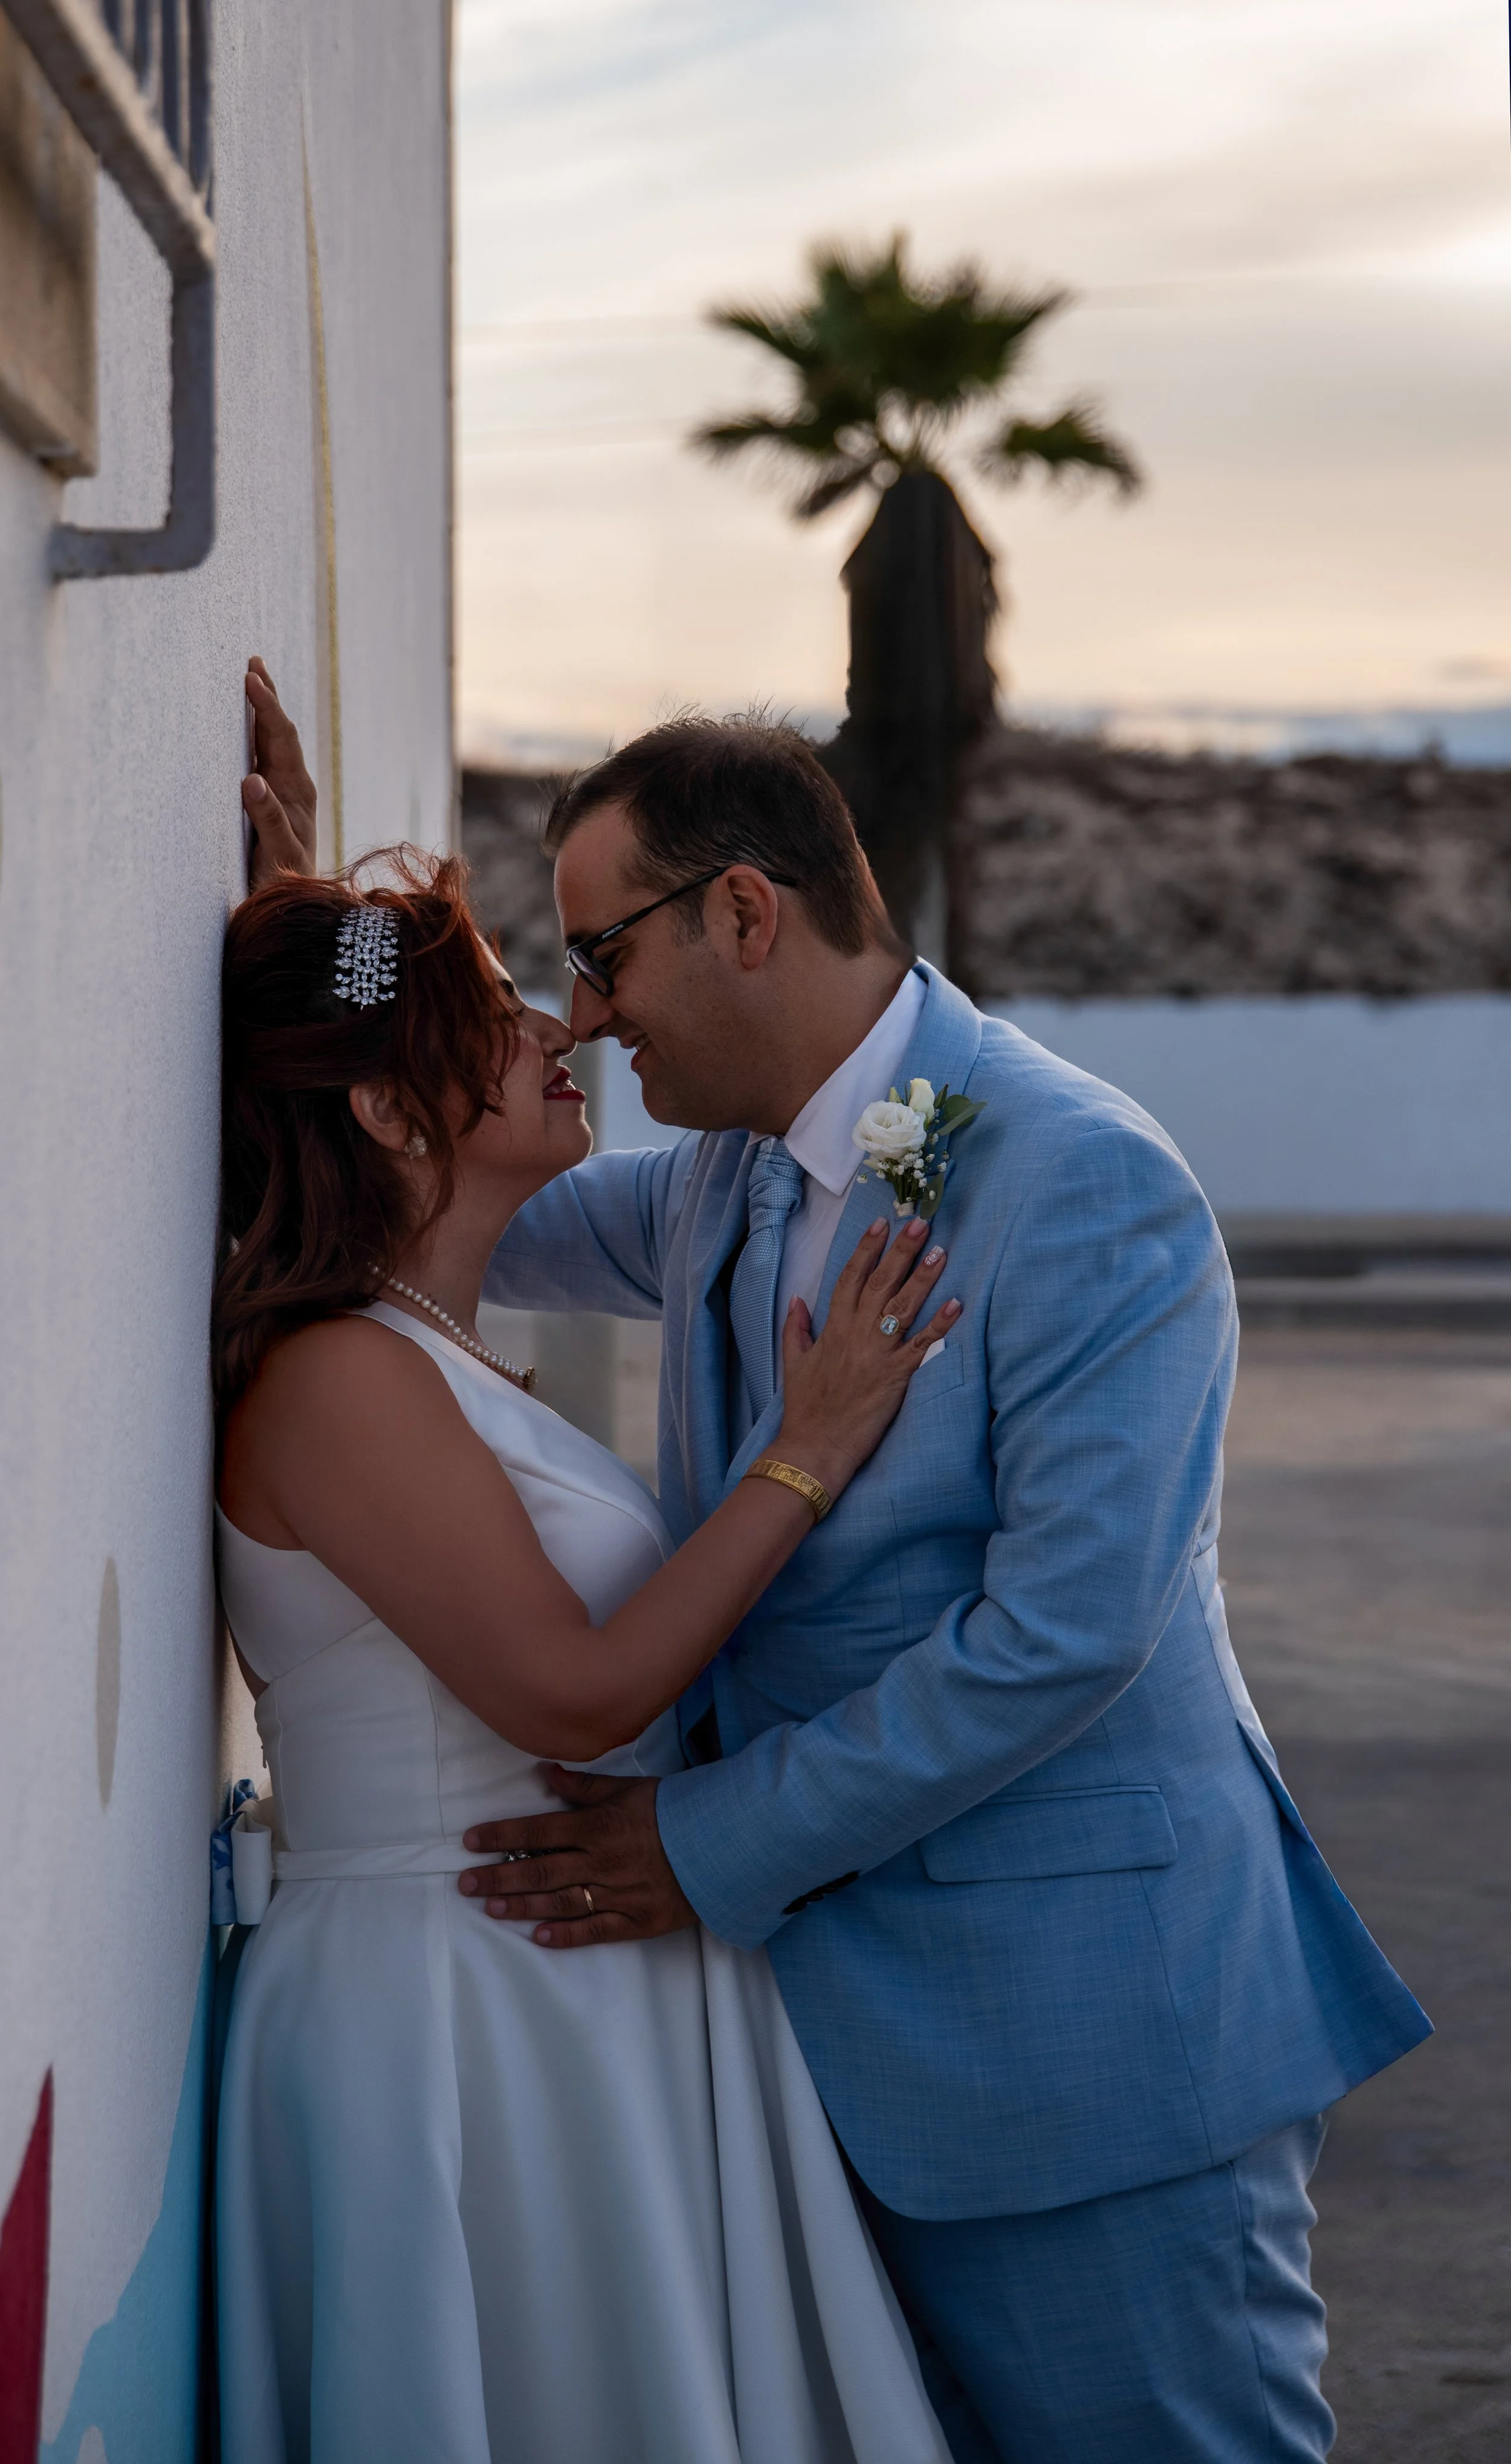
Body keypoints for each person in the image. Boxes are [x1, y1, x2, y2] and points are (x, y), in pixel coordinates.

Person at [212, 831, 959, 2462]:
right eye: (489, 1013)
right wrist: (805, 1450)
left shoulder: (421, 1351)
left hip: (552, 1979)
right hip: (457, 2007)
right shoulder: (336, 1376)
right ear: (392, 1109)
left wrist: (321, 909)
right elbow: (571, 1687)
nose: (566, 1031)